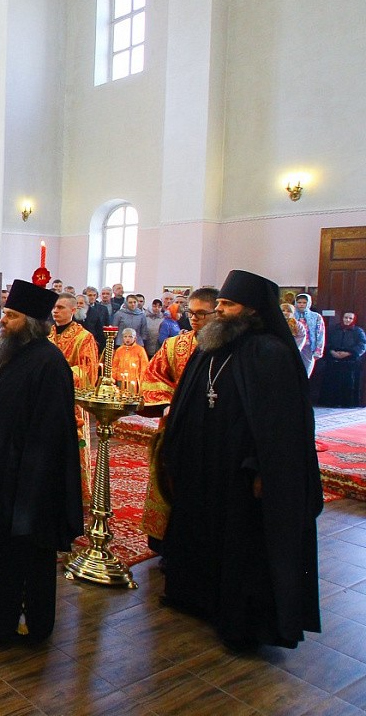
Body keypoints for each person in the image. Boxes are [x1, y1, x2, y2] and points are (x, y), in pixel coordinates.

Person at [158, 270, 322, 650]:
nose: (218, 310)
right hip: (201, 462)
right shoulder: (209, 346)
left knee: (239, 541)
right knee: (198, 528)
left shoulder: (270, 353)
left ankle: (241, 621)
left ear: (252, 310)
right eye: (218, 303)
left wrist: (264, 469)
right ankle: (195, 598)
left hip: (239, 469)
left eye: (227, 304)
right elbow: (186, 402)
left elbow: (281, 426)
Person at [0, 280, 82, 644]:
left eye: (11, 315)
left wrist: (28, 489)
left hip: (20, 482)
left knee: (14, 554)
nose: (3, 321)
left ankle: (11, 621)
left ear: (32, 323)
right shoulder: (9, 354)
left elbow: (49, 436)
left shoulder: (50, 364)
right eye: (5, 313)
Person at [139, 287, 217, 549]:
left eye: (202, 314)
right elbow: (153, 376)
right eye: (190, 313)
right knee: (168, 481)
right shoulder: (175, 345)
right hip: (175, 425)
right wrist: (168, 403)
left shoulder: (228, 348)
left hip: (211, 430)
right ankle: (164, 542)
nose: (194, 319)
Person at [49, 292, 99, 503]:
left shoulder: (84, 337)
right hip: (46, 399)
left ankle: (75, 493)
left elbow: (89, 371)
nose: (55, 311)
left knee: (73, 447)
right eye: (54, 307)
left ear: (73, 310)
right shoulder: (47, 334)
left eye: (60, 307)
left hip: (72, 402)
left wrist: (58, 375)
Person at [320, 312, 366, 407]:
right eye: (346, 317)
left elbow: (362, 345)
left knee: (348, 383)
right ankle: (331, 402)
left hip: (350, 362)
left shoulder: (358, 331)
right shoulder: (333, 329)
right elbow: (325, 342)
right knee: (332, 382)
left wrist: (348, 353)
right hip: (333, 360)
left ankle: (347, 403)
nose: (347, 320)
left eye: (350, 318)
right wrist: (332, 351)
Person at [294, 294, 326, 377]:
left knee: (306, 372)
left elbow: (320, 334)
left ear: (309, 303)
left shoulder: (316, 316)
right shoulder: (291, 316)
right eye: (299, 302)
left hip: (309, 347)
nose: (301, 304)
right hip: (294, 347)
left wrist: (318, 350)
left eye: (304, 302)